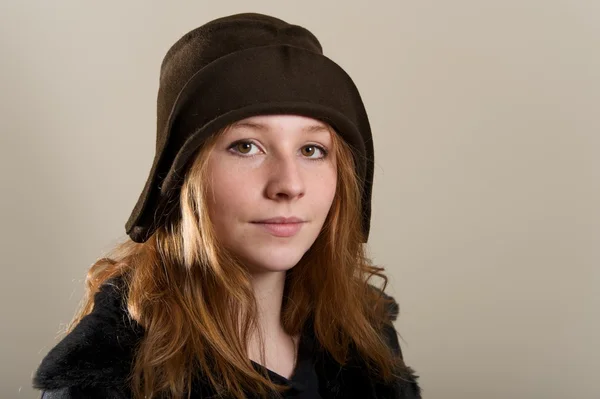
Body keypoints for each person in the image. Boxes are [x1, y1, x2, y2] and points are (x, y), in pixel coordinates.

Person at [32, 12, 422, 399]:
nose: (289, 184)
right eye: (246, 146)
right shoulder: (103, 383)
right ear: (183, 175)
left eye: (311, 149)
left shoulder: (366, 341)